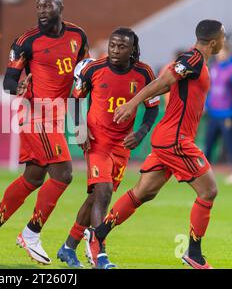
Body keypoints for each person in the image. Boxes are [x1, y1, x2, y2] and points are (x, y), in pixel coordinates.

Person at [83, 20, 225, 270]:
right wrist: (133, 103)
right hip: (175, 140)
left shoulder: (194, 62)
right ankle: (194, 254)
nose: (226, 40)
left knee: (142, 193)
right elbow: (165, 80)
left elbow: (167, 81)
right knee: (209, 190)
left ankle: (99, 234)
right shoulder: (192, 58)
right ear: (214, 41)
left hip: (169, 139)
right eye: (224, 36)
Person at [0, 0, 89, 265]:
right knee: (63, 174)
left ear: (61, 7)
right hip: (36, 113)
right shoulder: (26, 42)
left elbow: (79, 84)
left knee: (34, 177)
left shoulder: (78, 36)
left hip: (57, 115)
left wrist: (78, 126)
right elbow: (8, 83)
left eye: (48, 5)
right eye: (38, 6)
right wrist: (18, 86)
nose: (42, 9)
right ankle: (31, 233)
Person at [57, 27, 160, 269]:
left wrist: (142, 132)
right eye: (112, 45)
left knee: (96, 197)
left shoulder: (144, 73)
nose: (115, 50)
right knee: (103, 192)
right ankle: (99, 253)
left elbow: (153, 106)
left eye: (121, 46)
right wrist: (79, 129)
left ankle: (68, 247)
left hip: (122, 145)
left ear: (133, 49)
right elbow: (74, 99)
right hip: (96, 141)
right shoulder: (94, 69)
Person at [203, 43, 232, 183]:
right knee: (208, 144)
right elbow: (210, 90)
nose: (219, 54)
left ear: (228, 53)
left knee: (230, 144)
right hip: (213, 114)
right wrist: (205, 105)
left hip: (227, 114)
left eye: (222, 52)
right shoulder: (214, 68)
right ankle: (204, 173)